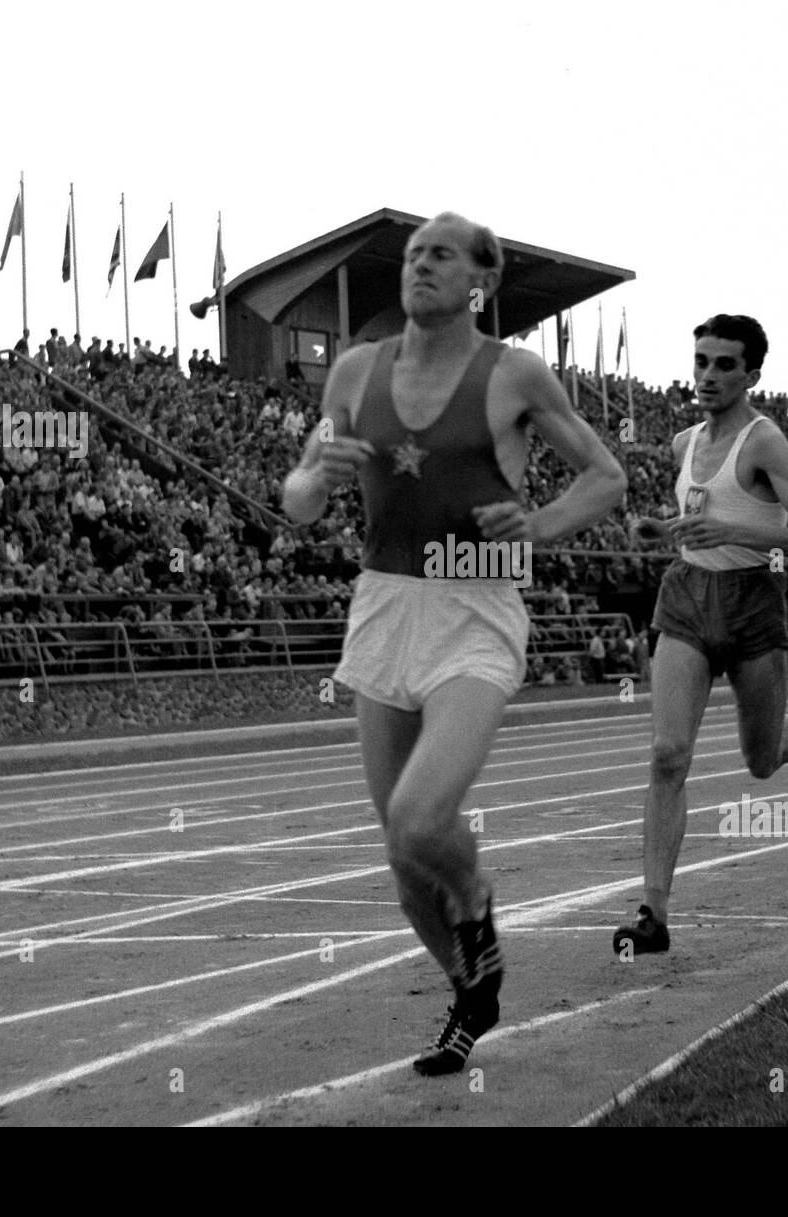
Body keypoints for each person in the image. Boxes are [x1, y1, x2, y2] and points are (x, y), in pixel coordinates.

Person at [282, 211, 626, 1075]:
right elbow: (299, 499)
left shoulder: (514, 375)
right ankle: (468, 991)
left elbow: (606, 476)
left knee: (419, 816)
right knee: (403, 864)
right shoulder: (356, 372)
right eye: (412, 255)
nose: (420, 267)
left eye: (440, 255)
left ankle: (475, 894)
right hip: (385, 607)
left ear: (481, 281)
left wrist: (539, 525)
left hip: (476, 609)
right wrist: (314, 476)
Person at [612, 314, 788, 956]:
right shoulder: (684, 443)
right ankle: (653, 915)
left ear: (752, 375)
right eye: (701, 361)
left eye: (724, 365)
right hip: (685, 599)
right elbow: (704, 517)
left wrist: (734, 535)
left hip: (752, 605)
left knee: (761, 761)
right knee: (667, 755)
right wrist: (668, 528)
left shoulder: (765, 442)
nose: (707, 376)